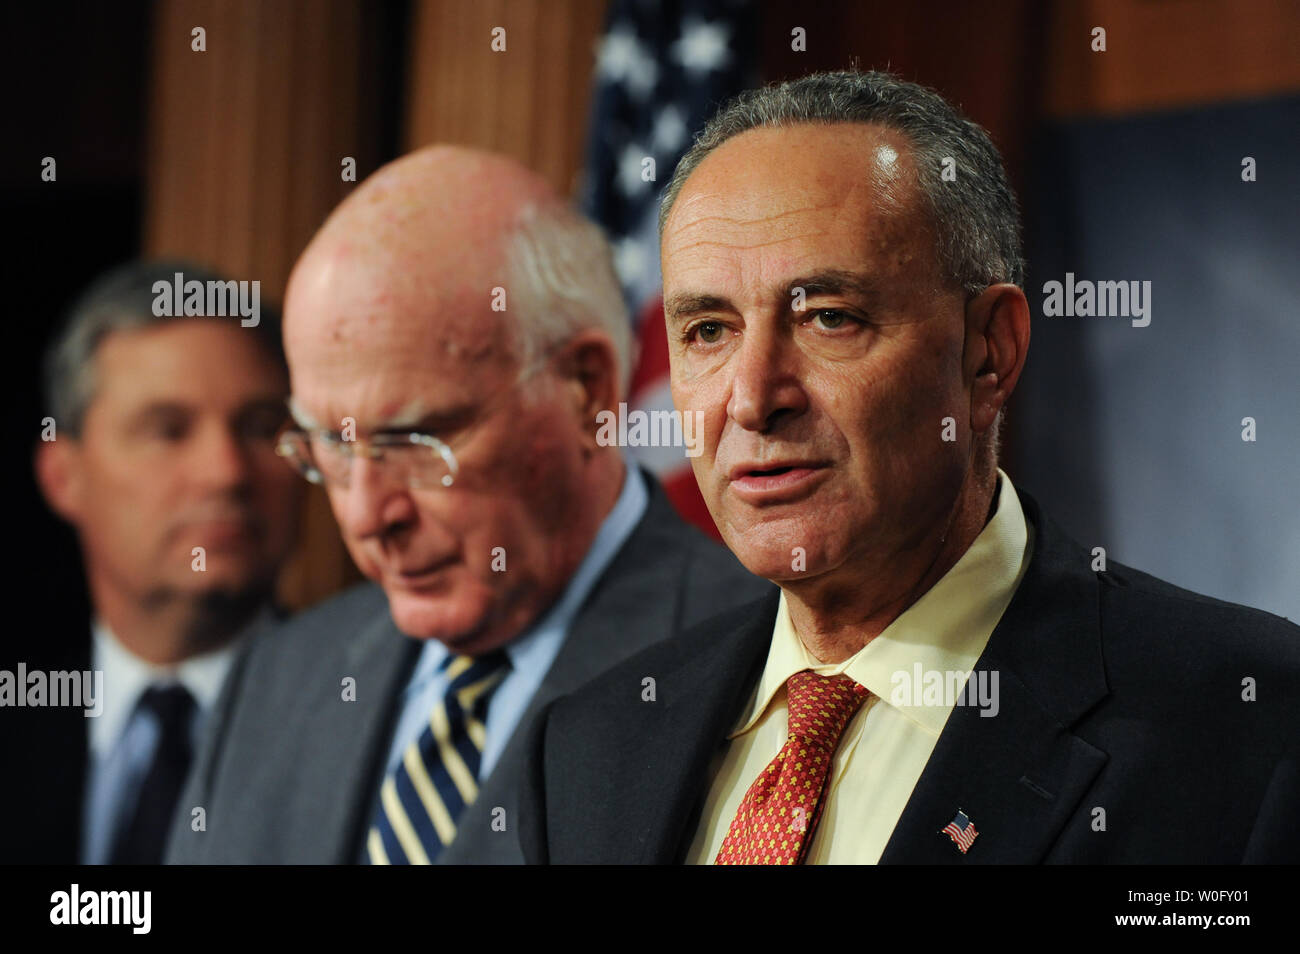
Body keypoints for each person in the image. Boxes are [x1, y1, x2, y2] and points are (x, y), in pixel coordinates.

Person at [517, 71, 1300, 865]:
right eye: (708, 331)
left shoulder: (1254, 729)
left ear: (988, 354)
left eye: (828, 318)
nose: (751, 400)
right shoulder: (587, 749)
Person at [164, 146, 771, 865]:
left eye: (414, 440)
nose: (365, 515)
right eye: (329, 440)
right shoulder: (279, 677)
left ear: (585, 391)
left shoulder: (760, 670)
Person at [5, 260, 300, 864]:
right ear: (64, 476)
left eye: (261, 426)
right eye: (168, 430)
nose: (226, 471)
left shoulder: (374, 721)